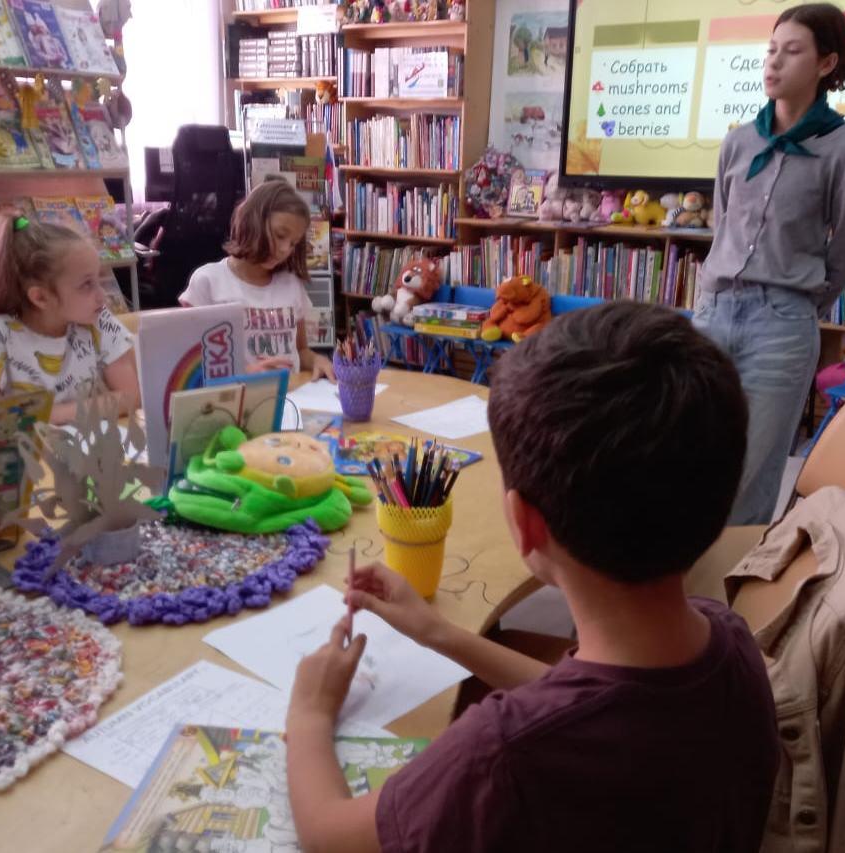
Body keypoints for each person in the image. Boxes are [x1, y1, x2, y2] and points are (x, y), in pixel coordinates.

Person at [284, 302, 780, 852]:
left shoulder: (503, 754)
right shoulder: (731, 641)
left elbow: (329, 837)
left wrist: (309, 714)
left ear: (525, 525)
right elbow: (598, 701)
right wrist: (439, 633)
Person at [696, 2, 845, 524]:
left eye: (792, 51)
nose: (774, 61)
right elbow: (723, 227)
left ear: (826, 64)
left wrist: (796, 304)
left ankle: (732, 572)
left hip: (782, 325)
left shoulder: (844, 148)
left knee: (754, 467)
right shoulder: (738, 141)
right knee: (691, 447)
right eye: (772, 49)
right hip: (714, 312)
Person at [0, 213, 138, 425]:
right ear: (41, 297)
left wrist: (47, 415)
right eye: (87, 285)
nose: (102, 296)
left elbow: (130, 397)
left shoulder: (100, 322)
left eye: (99, 280)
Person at [178, 179, 335, 380]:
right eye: (280, 235)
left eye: (293, 243)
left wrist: (317, 360)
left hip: (291, 394)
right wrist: (246, 374)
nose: (285, 249)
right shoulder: (208, 281)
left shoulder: (291, 285)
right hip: (238, 396)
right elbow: (189, 368)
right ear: (252, 221)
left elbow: (301, 350)